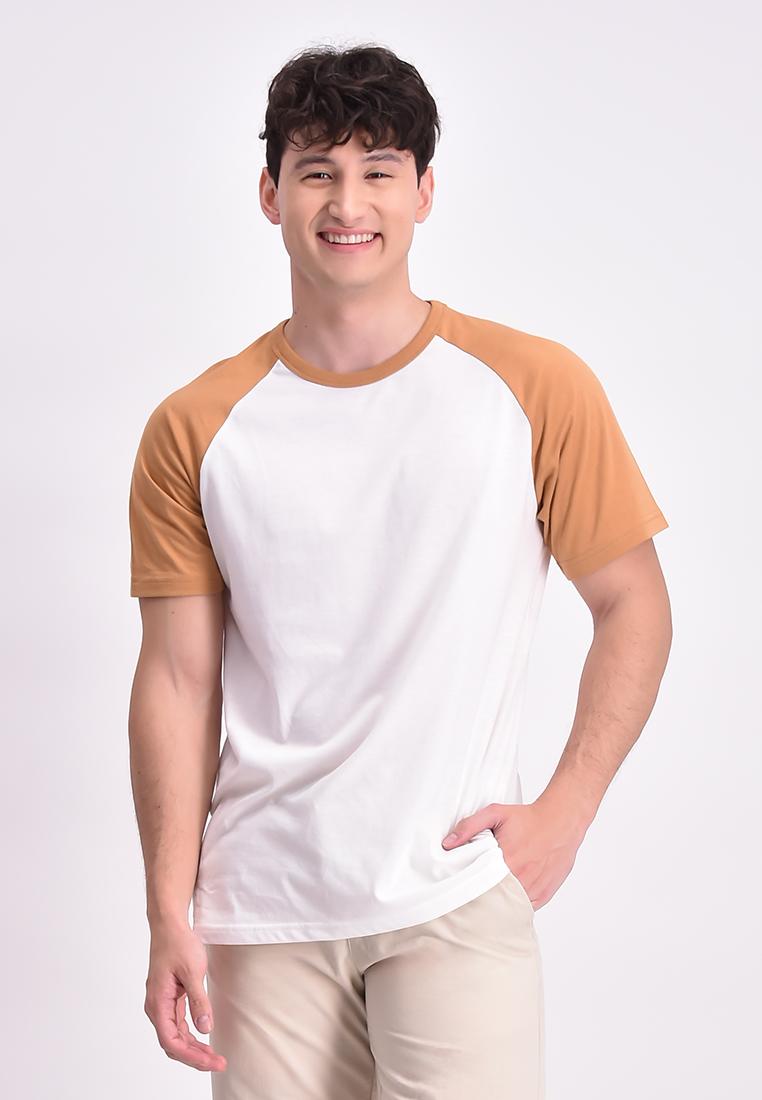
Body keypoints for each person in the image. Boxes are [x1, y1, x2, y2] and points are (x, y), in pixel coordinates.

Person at [127, 42, 672, 1100]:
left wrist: (569, 805)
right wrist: (165, 907)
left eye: (379, 169)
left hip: (453, 894)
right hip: (263, 908)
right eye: (317, 170)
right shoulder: (195, 426)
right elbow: (179, 680)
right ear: (270, 193)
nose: (348, 202)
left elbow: (633, 602)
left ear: (423, 192)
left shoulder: (532, 386)